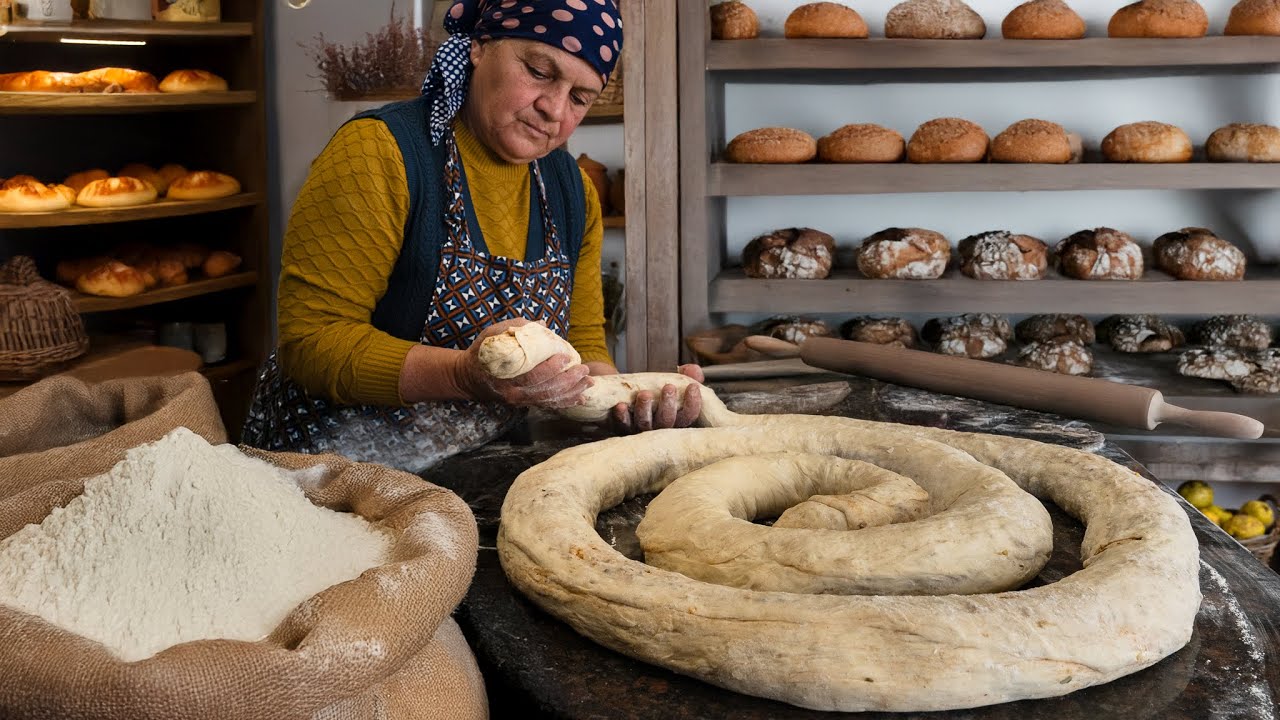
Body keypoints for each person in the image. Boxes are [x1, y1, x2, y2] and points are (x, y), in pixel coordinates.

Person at [242, 0, 702, 472]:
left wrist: (626, 403)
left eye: (580, 98)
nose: (554, 108)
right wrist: (463, 375)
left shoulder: (573, 193)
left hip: (472, 472)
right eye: (539, 72)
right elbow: (312, 342)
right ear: (480, 47)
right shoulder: (379, 153)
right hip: (327, 472)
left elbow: (582, 346)